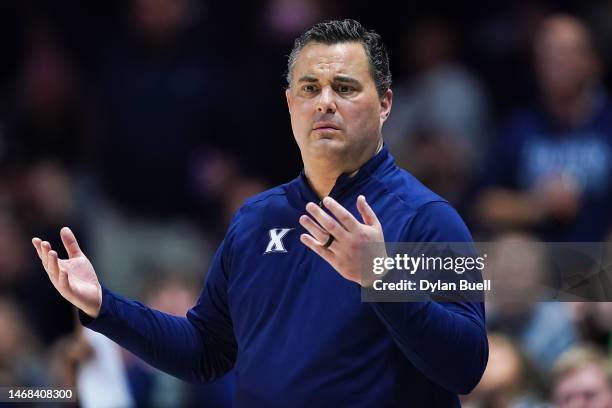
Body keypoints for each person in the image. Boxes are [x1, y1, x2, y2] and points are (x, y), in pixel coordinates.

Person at [32, 19, 488, 407]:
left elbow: (466, 366)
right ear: (291, 103)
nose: (325, 101)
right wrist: (104, 306)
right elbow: (205, 351)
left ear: (385, 103)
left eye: (345, 88)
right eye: (310, 88)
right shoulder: (255, 220)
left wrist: (381, 277)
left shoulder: (427, 218)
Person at [475, 14, 612, 241]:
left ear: (591, 62)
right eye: (546, 52)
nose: (554, 60)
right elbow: (484, 205)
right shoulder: (519, 126)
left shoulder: (607, 123)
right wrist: (537, 206)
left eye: (565, 52)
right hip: (539, 252)